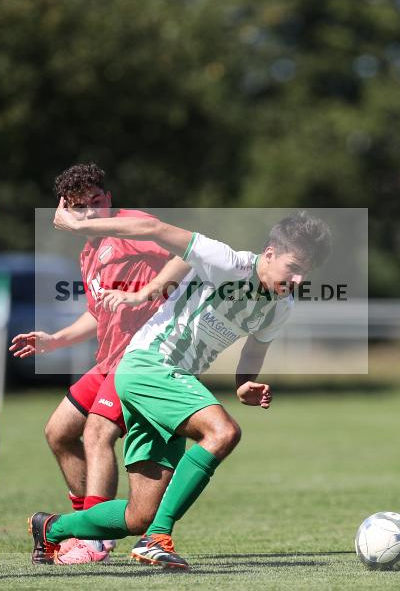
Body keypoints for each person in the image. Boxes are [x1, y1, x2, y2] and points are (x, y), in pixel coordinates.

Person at [29, 207, 331, 569]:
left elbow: (255, 348)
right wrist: (82, 225)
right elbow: (151, 228)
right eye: (293, 267)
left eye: (306, 272)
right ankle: (158, 538)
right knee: (224, 432)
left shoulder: (280, 305)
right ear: (270, 253)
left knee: (139, 515)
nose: (297, 279)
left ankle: (50, 527)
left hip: (168, 382)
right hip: (149, 365)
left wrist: (244, 383)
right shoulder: (227, 262)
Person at [9, 164, 188, 564]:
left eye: (96, 202)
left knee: (96, 433)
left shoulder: (132, 226)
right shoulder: (90, 251)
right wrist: (56, 339)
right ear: (67, 209)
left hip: (139, 357)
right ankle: (85, 523)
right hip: (107, 360)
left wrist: (146, 293)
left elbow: (186, 254)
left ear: (108, 199)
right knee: (58, 432)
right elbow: (97, 314)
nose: (91, 212)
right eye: (80, 206)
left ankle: (96, 541)